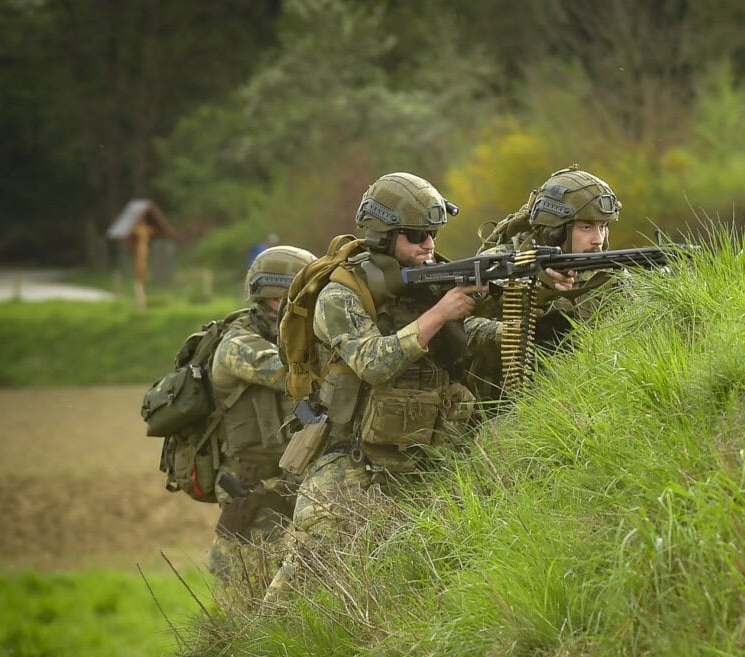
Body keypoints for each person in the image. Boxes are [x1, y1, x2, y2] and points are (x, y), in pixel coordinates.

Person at [263, 172, 500, 604]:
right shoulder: (342, 294)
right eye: (416, 236)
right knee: (301, 582)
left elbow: (465, 333)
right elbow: (374, 363)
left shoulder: (431, 277)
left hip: (426, 453)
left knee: (423, 580)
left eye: (432, 234)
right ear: (385, 236)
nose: (429, 246)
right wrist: (440, 313)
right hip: (351, 460)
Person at [208, 244, 316, 601]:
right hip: (251, 489)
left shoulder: (286, 335)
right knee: (249, 601)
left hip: (287, 483)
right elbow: (292, 374)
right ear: (273, 298)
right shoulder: (237, 345)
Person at [471, 166, 621, 394]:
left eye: (604, 227)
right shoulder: (498, 264)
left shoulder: (607, 276)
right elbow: (458, 329)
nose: (598, 240)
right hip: (500, 404)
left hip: (579, 399)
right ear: (555, 231)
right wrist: (514, 328)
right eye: (587, 227)